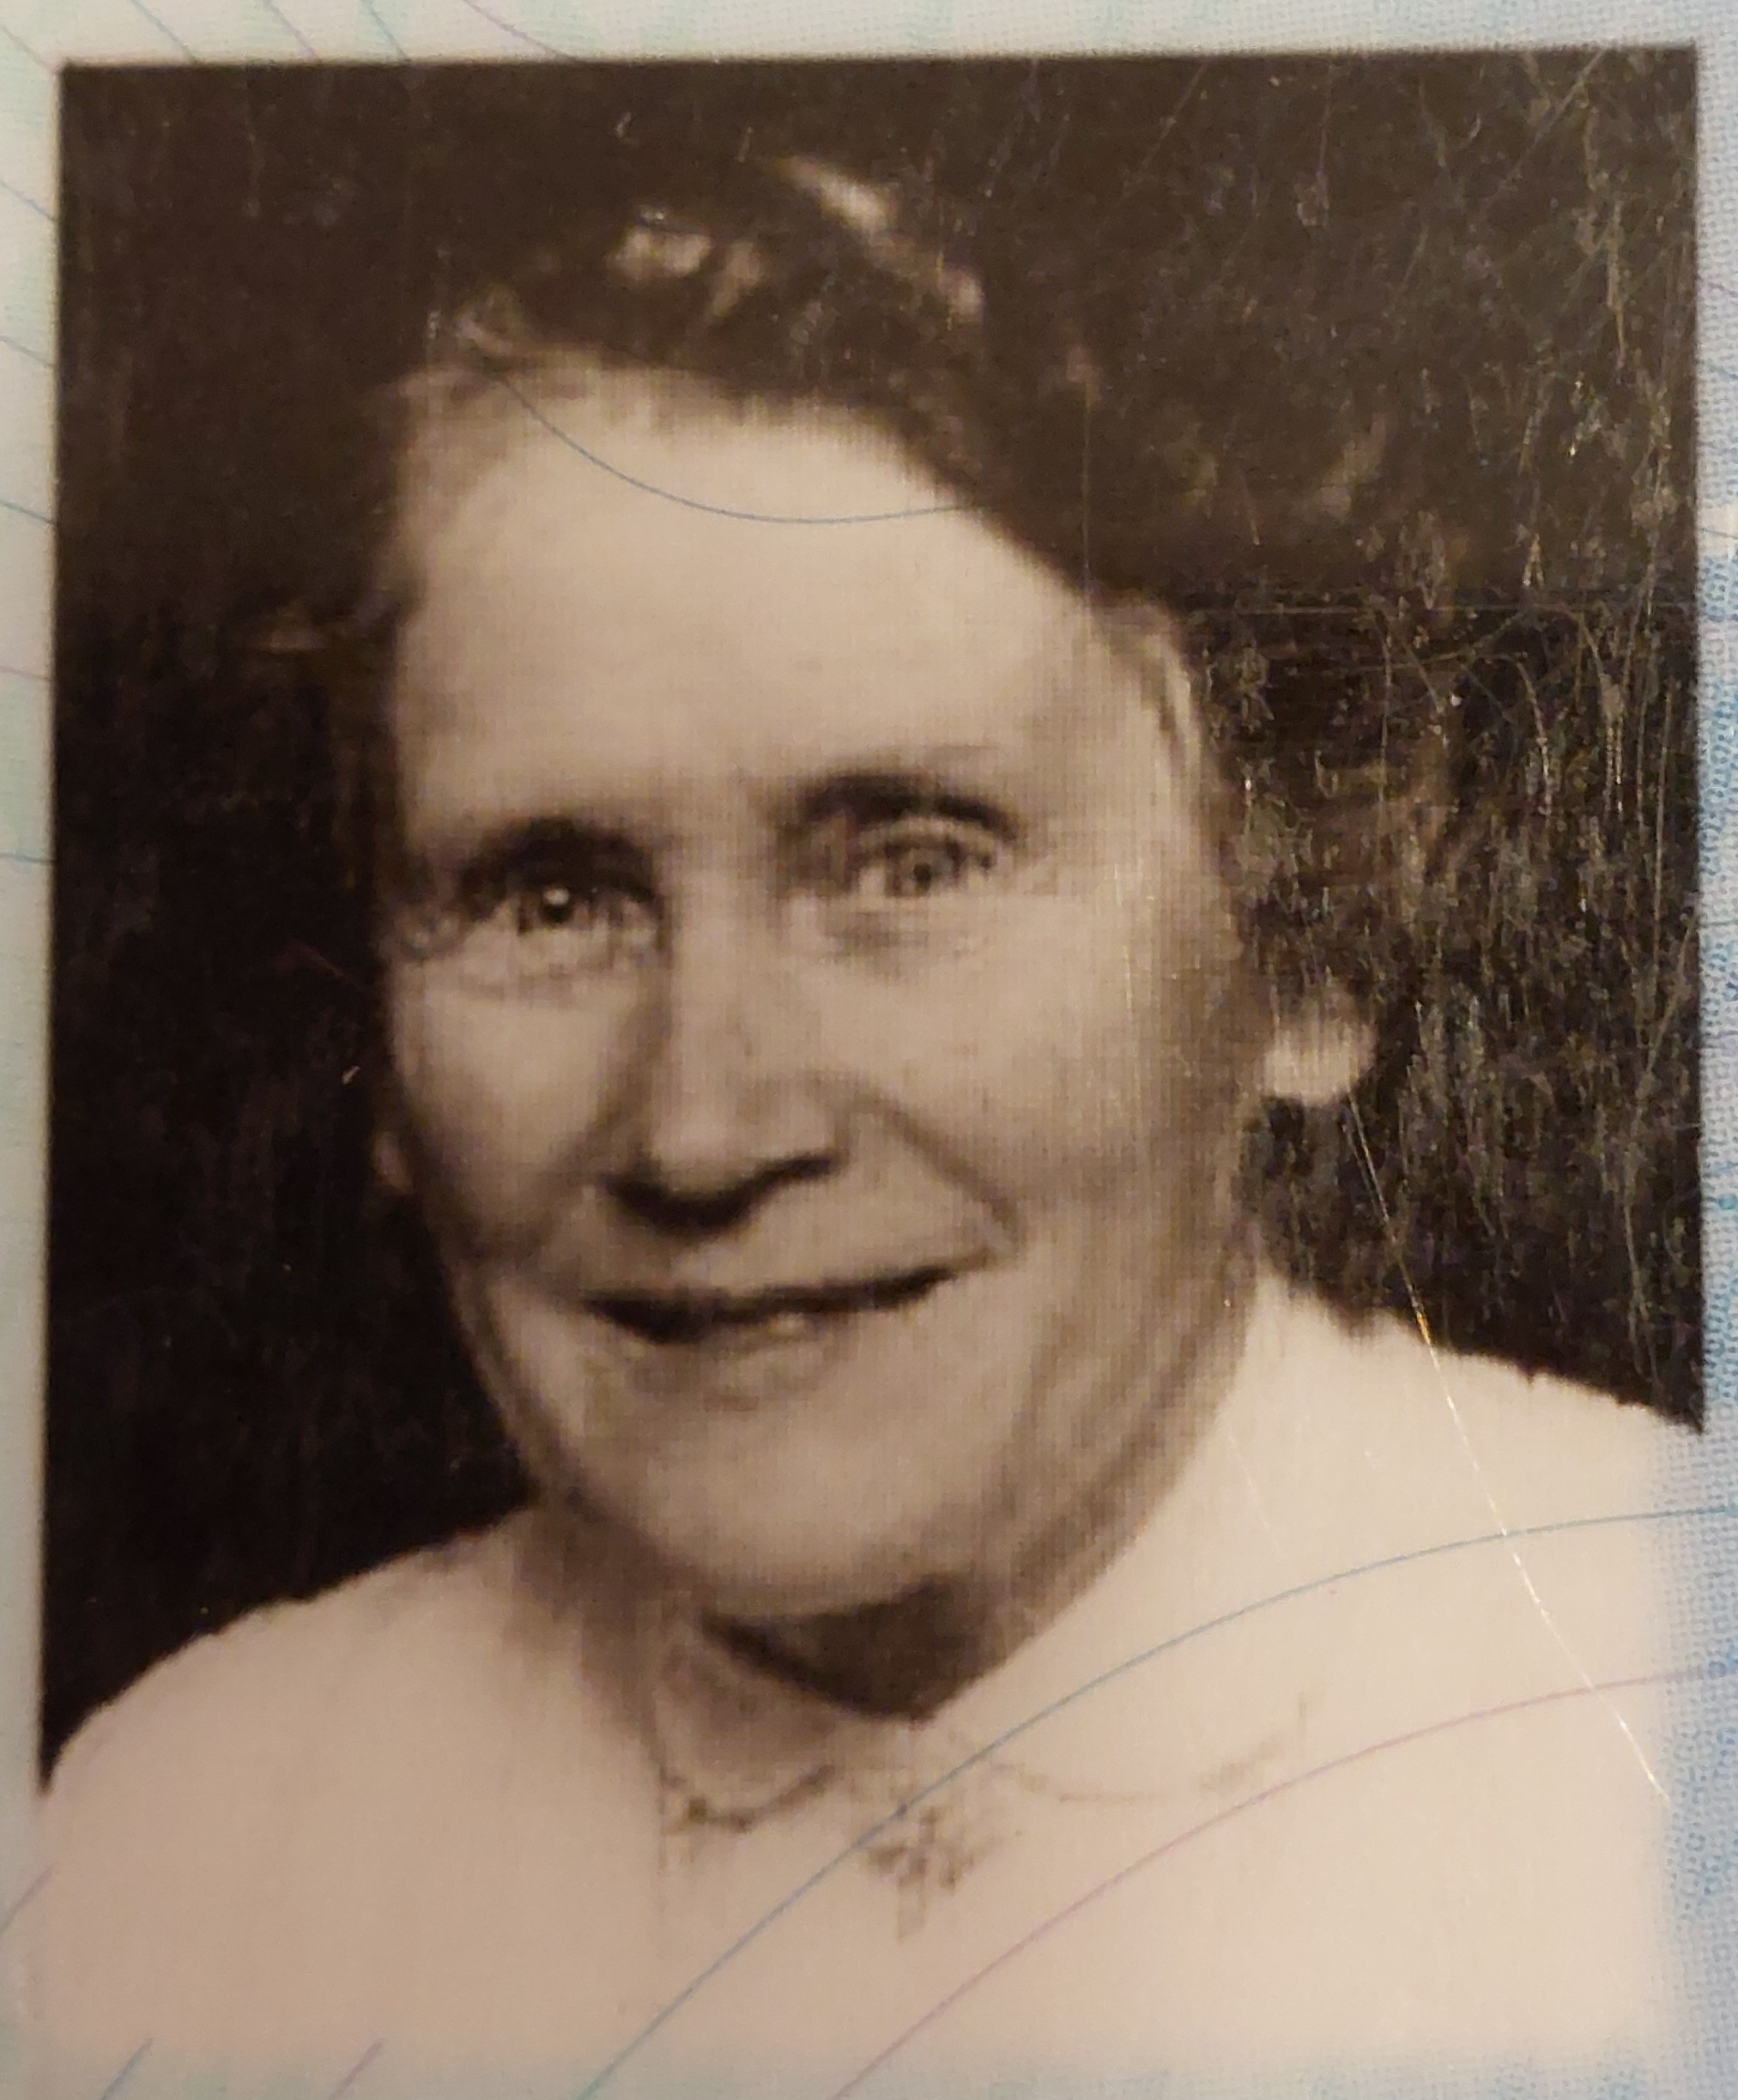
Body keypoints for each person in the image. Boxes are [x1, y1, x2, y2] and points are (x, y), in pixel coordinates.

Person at [30, 89, 1691, 2100]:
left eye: (912, 862)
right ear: (375, 1037)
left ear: (1307, 951)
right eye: (550, 897)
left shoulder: (1662, 1738)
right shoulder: (180, 1850)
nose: (704, 1126)